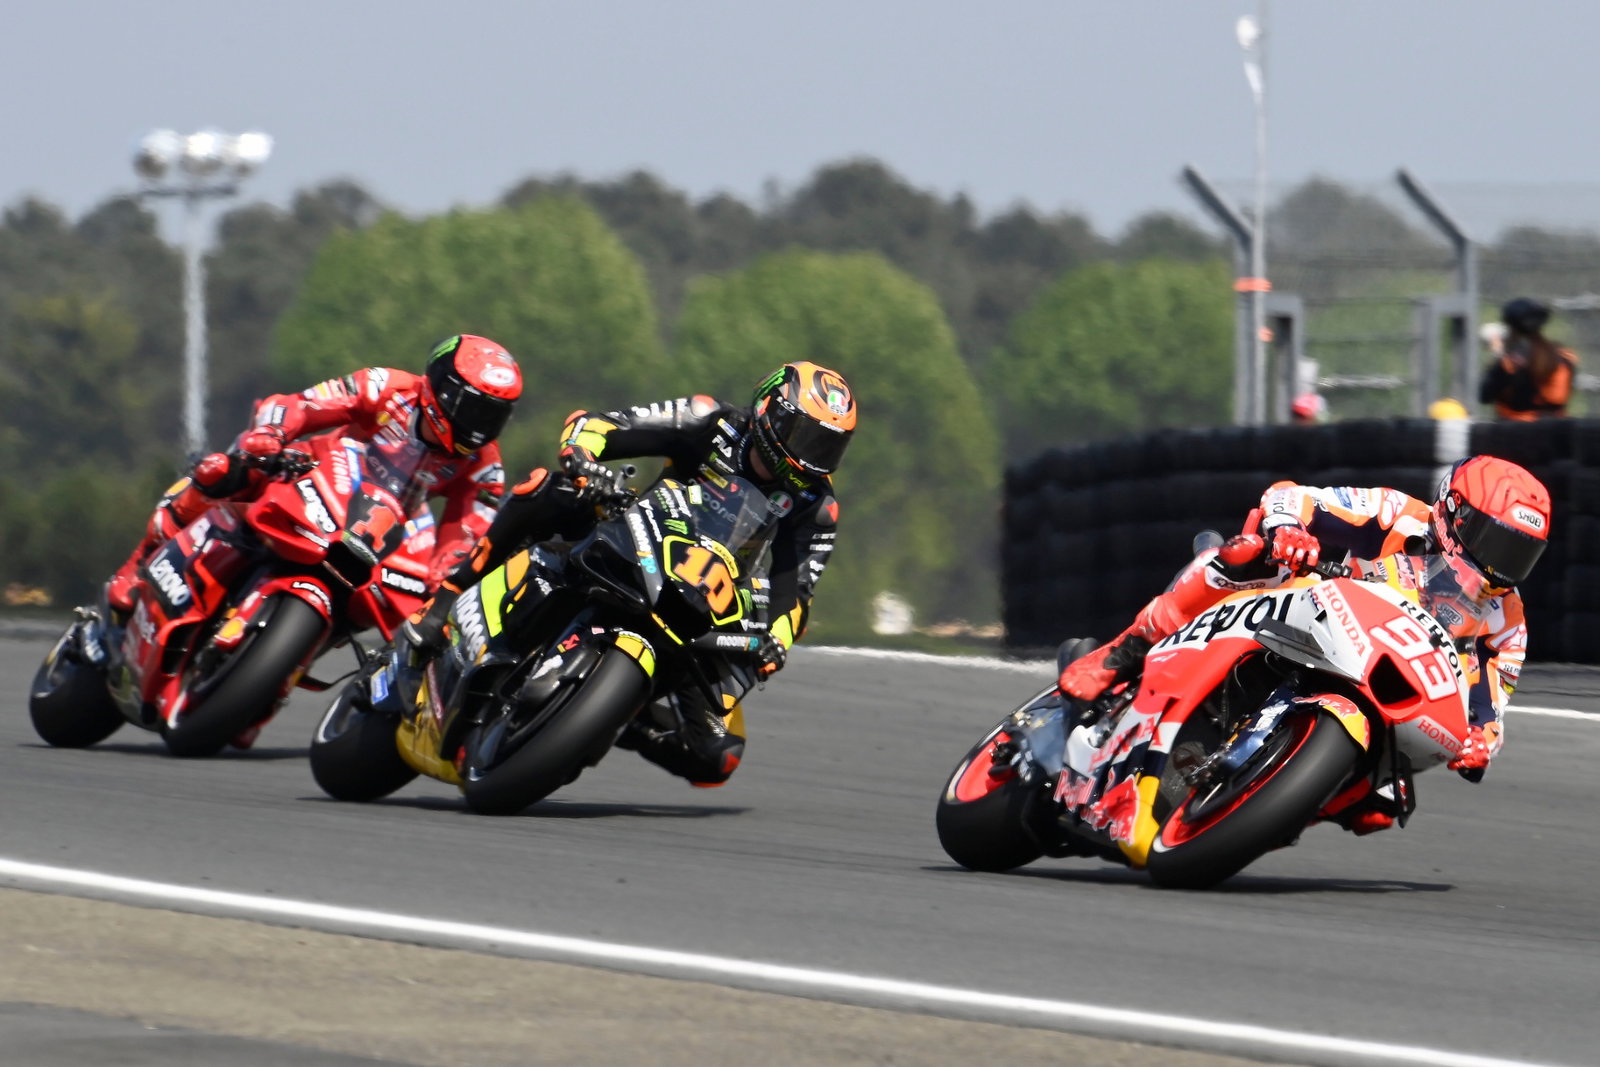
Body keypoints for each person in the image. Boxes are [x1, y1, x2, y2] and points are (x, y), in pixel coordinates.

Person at [402, 360, 856, 787]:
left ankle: (623, 715)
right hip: (635, 533)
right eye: (804, 436)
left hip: (704, 597)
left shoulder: (816, 505)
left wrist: (777, 638)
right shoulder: (709, 419)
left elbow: (795, 589)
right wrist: (583, 457)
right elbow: (603, 425)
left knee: (717, 758)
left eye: (827, 446)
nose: (810, 457)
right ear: (769, 411)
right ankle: (446, 598)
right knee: (551, 490)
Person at [1057, 455, 1551, 832]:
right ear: (1455, 513)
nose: (1501, 567)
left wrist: (1479, 744)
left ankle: (1270, 806)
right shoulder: (1398, 515)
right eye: (1496, 543)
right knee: (1246, 552)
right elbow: (1289, 497)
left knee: (1381, 806)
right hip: (1309, 616)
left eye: (1520, 555)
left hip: (1379, 682)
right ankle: (1121, 653)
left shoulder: (1506, 620)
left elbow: (1490, 711)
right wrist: (1290, 529)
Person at [106, 334, 524, 618]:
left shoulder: (483, 465)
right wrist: (272, 434)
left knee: (402, 606)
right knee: (222, 471)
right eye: (474, 407)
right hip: (317, 475)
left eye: (494, 414)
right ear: (441, 388)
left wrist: (443, 582)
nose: (480, 424)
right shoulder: (386, 387)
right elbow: (302, 404)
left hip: (380, 530)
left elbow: (464, 536)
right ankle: (138, 562)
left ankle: (286, 669)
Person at [1478, 298, 1578, 420]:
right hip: (1557, 432)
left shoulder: (1509, 364)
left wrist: (1498, 355)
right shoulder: (1566, 357)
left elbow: (1484, 395)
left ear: (1511, 328)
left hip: (1516, 434)